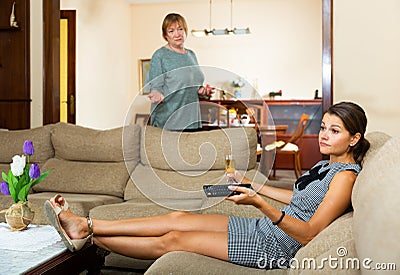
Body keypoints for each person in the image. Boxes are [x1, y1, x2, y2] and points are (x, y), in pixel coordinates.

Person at [44, 101, 370, 269]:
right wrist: (254, 185)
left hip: (278, 247)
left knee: (173, 239)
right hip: (268, 230)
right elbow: (299, 197)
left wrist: (260, 204)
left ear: (354, 138)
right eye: (324, 127)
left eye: (334, 131)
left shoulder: (345, 177)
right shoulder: (328, 164)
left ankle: (87, 232)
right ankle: (86, 226)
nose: (324, 135)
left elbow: (310, 232)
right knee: (177, 219)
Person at [147, 13, 213, 131]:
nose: (177, 34)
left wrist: (203, 91)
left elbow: (194, 86)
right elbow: (155, 86)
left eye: (180, 29)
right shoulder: (160, 55)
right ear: (165, 35)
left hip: (192, 120)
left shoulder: (191, 55)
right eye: (171, 31)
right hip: (169, 122)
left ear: (185, 31)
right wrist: (156, 93)